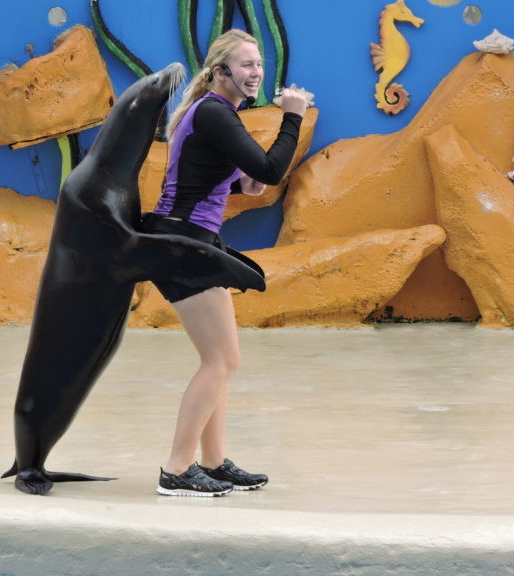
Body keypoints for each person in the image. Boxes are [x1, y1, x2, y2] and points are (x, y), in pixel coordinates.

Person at [144, 29, 308, 497]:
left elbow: (210, 179)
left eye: (258, 64)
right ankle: (176, 470)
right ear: (221, 72)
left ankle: (212, 463)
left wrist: (239, 188)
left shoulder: (215, 112)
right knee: (220, 360)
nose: (255, 72)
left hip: (194, 237)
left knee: (220, 360)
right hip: (183, 242)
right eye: (246, 65)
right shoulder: (215, 112)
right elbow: (272, 169)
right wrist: (291, 117)